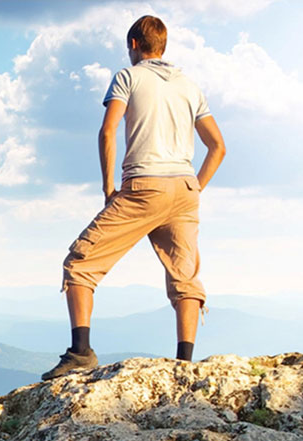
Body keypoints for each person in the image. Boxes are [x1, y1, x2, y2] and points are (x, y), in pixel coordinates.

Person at [41, 14, 226, 381]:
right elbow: (218, 146)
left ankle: (81, 353)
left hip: (144, 184)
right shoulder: (190, 86)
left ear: (134, 45)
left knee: (80, 263)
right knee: (184, 276)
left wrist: (109, 188)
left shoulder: (128, 77)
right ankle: (184, 365)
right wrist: (195, 187)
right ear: (163, 46)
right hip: (185, 188)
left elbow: (109, 131)